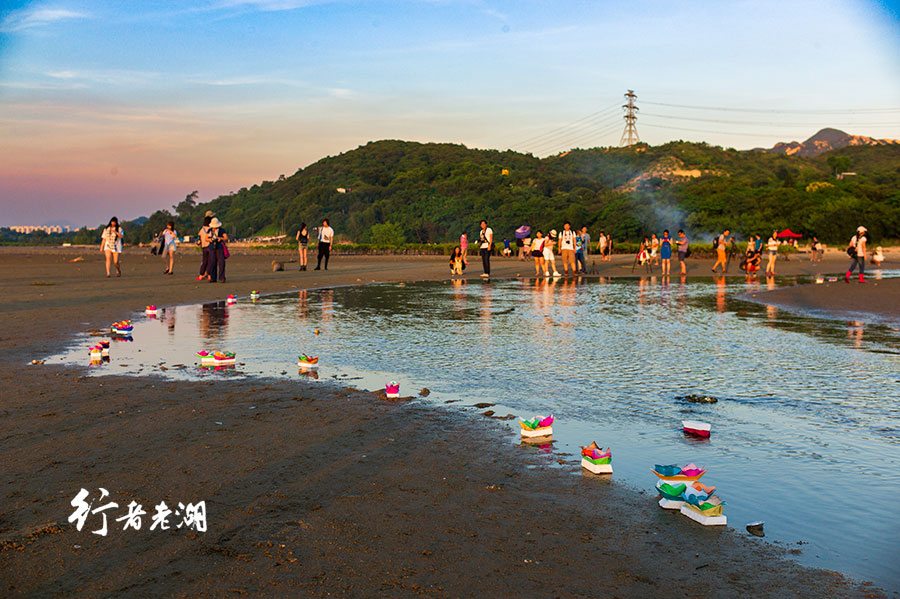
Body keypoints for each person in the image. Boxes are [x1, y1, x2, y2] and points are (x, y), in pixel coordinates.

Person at [206, 217, 229, 283]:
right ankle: (213, 278)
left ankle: (222, 277)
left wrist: (220, 238)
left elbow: (226, 238)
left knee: (221, 263)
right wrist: (210, 240)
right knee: (212, 263)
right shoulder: (210, 230)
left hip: (220, 247)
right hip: (212, 247)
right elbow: (206, 238)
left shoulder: (222, 230)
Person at [197, 215, 212, 281]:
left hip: (204, 247)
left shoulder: (202, 229)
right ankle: (209, 276)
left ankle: (201, 275)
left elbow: (199, 236)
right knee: (210, 262)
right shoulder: (211, 229)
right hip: (210, 246)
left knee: (204, 262)